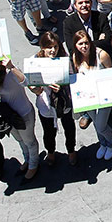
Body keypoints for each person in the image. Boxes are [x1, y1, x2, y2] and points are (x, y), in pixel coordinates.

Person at [28, 33, 77, 167]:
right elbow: (32, 85)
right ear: (42, 47)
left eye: (55, 46)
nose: (53, 50)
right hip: (46, 105)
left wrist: (62, 84)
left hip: (64, 102)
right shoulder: (34, 61)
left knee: (69, 128)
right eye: (49, 47)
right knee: (49, 132)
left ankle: (71, 151)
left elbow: (71, 76)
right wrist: (39, 86)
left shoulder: (64, 58)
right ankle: (50, 152)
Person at [70, 30, 112, 159]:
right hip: (88, 97)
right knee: (96, 123)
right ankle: (103, 143)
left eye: (86, 43)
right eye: (80, 44)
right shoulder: (76, 57)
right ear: (75, 45)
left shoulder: (102, 55)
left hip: (104, 95)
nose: (84, 46)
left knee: (101, 125)